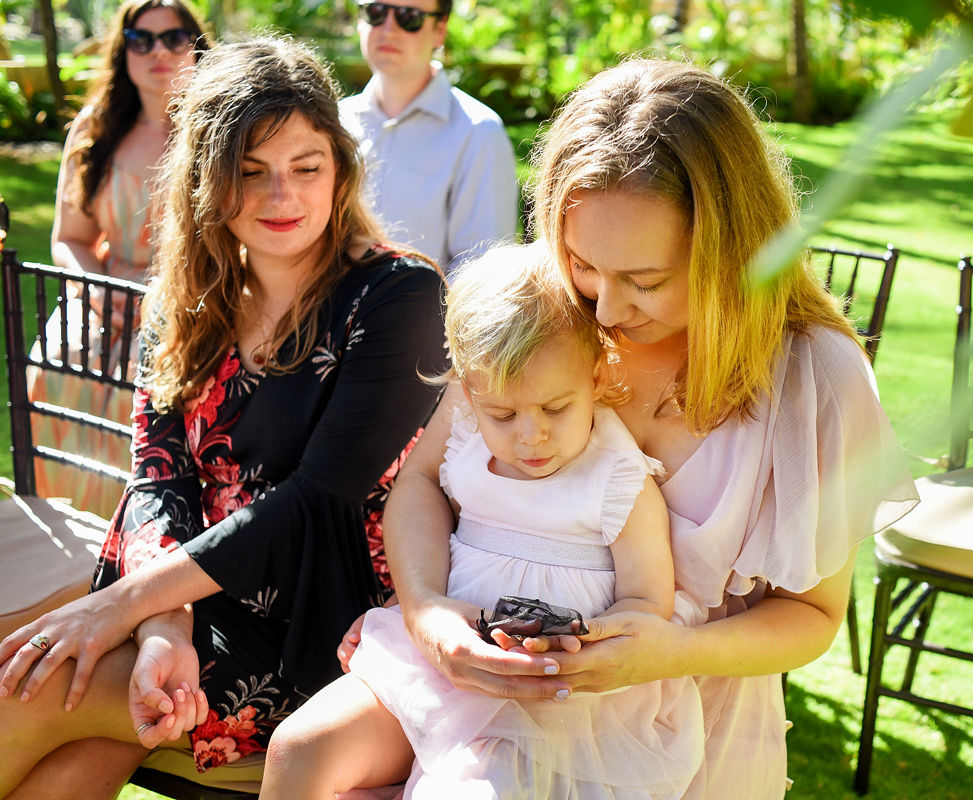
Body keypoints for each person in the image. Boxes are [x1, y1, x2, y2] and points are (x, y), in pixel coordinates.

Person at [358, 59, 920, 798]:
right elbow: (425, 477)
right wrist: (429, 611)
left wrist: (670, 650)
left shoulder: (818, 380)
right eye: (585, 264)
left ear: (734, 251)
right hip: (487, 715)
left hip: (689, 740)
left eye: (646, 282)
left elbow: (812, 617)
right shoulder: (545, 313)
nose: (606, 311)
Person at [0, 36, 446, 797]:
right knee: (63, 722)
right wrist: (160, 625)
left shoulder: (397, 297)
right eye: (250, 174)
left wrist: (123, 606)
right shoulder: (182, 305)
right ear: (206, 181)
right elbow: (155, 478)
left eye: (306, 168)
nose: (284, 197)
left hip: (319, 626)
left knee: (29, 690)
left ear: (339, 169)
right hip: (188, 601)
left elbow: (315, 500)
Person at [261, 243, 704, 799]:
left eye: (555, 408)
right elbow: (419, 490)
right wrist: (418, 604)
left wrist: (576, 646)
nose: (530, 435)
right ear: (468, 394)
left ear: (595, 375)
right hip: (439, 669)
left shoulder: (617, 480)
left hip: (553, 706)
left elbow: (647, 602)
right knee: (298, 749)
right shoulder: (466, 441)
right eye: (503, 413)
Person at [35, 0, 208, 518]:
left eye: (174, 37)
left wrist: (164, 299)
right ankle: (67, 519)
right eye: (142, 39)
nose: (158, 50)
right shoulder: (95, 131)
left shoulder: (220, 129)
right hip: (101, 287)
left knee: (147, 383)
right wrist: (92, 290)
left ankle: (138, 528)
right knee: (53, 367)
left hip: (191, 296)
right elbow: (70, 237)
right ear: (123, 49)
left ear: (196, 46)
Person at [339, 0, 519, 279]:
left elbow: (482, 279)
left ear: (440, 30)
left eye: (408, 17)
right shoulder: (334, 122)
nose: (388, 29)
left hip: (425, 321)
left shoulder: (479, 133)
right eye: (375, 12)